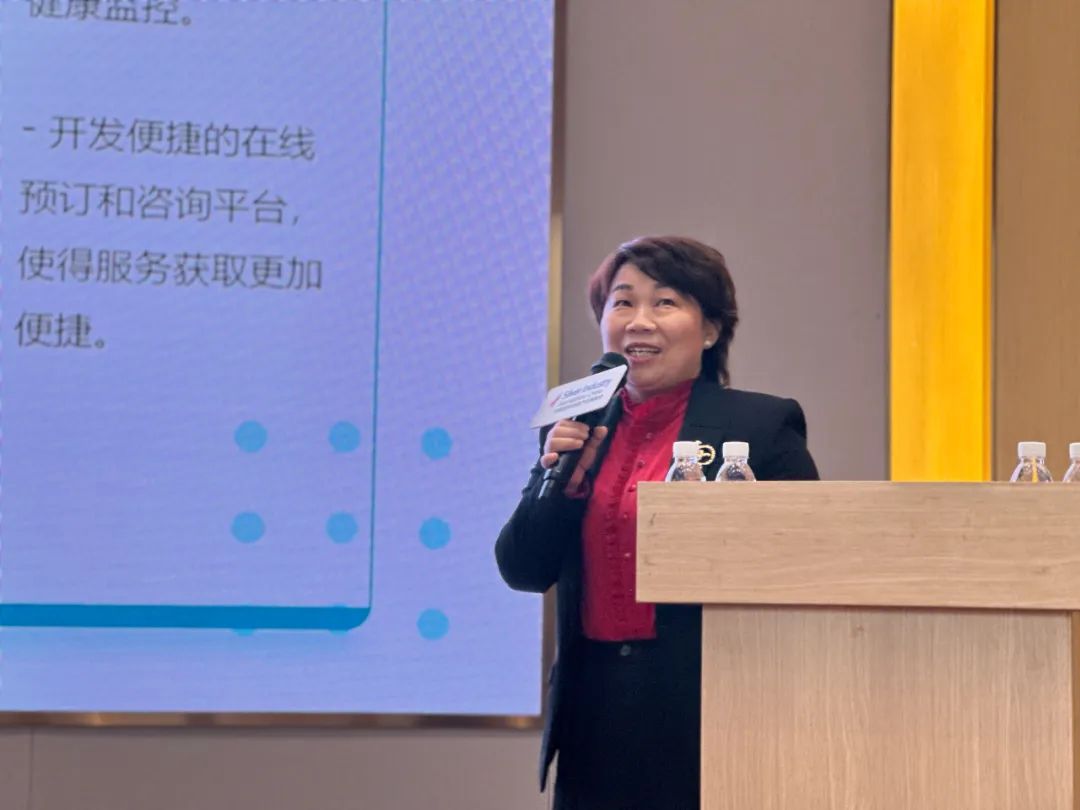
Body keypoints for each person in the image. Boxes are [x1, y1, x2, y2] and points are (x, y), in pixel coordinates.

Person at [495, 235, 819, 810]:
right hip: (593, 710)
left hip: (708, 704)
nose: (639, 321)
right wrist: (562, 481)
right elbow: (522, 568)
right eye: (622, 302)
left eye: (665, 302)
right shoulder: (574, 426)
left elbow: (808, 564)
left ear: (710, 329)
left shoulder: (761, 424)